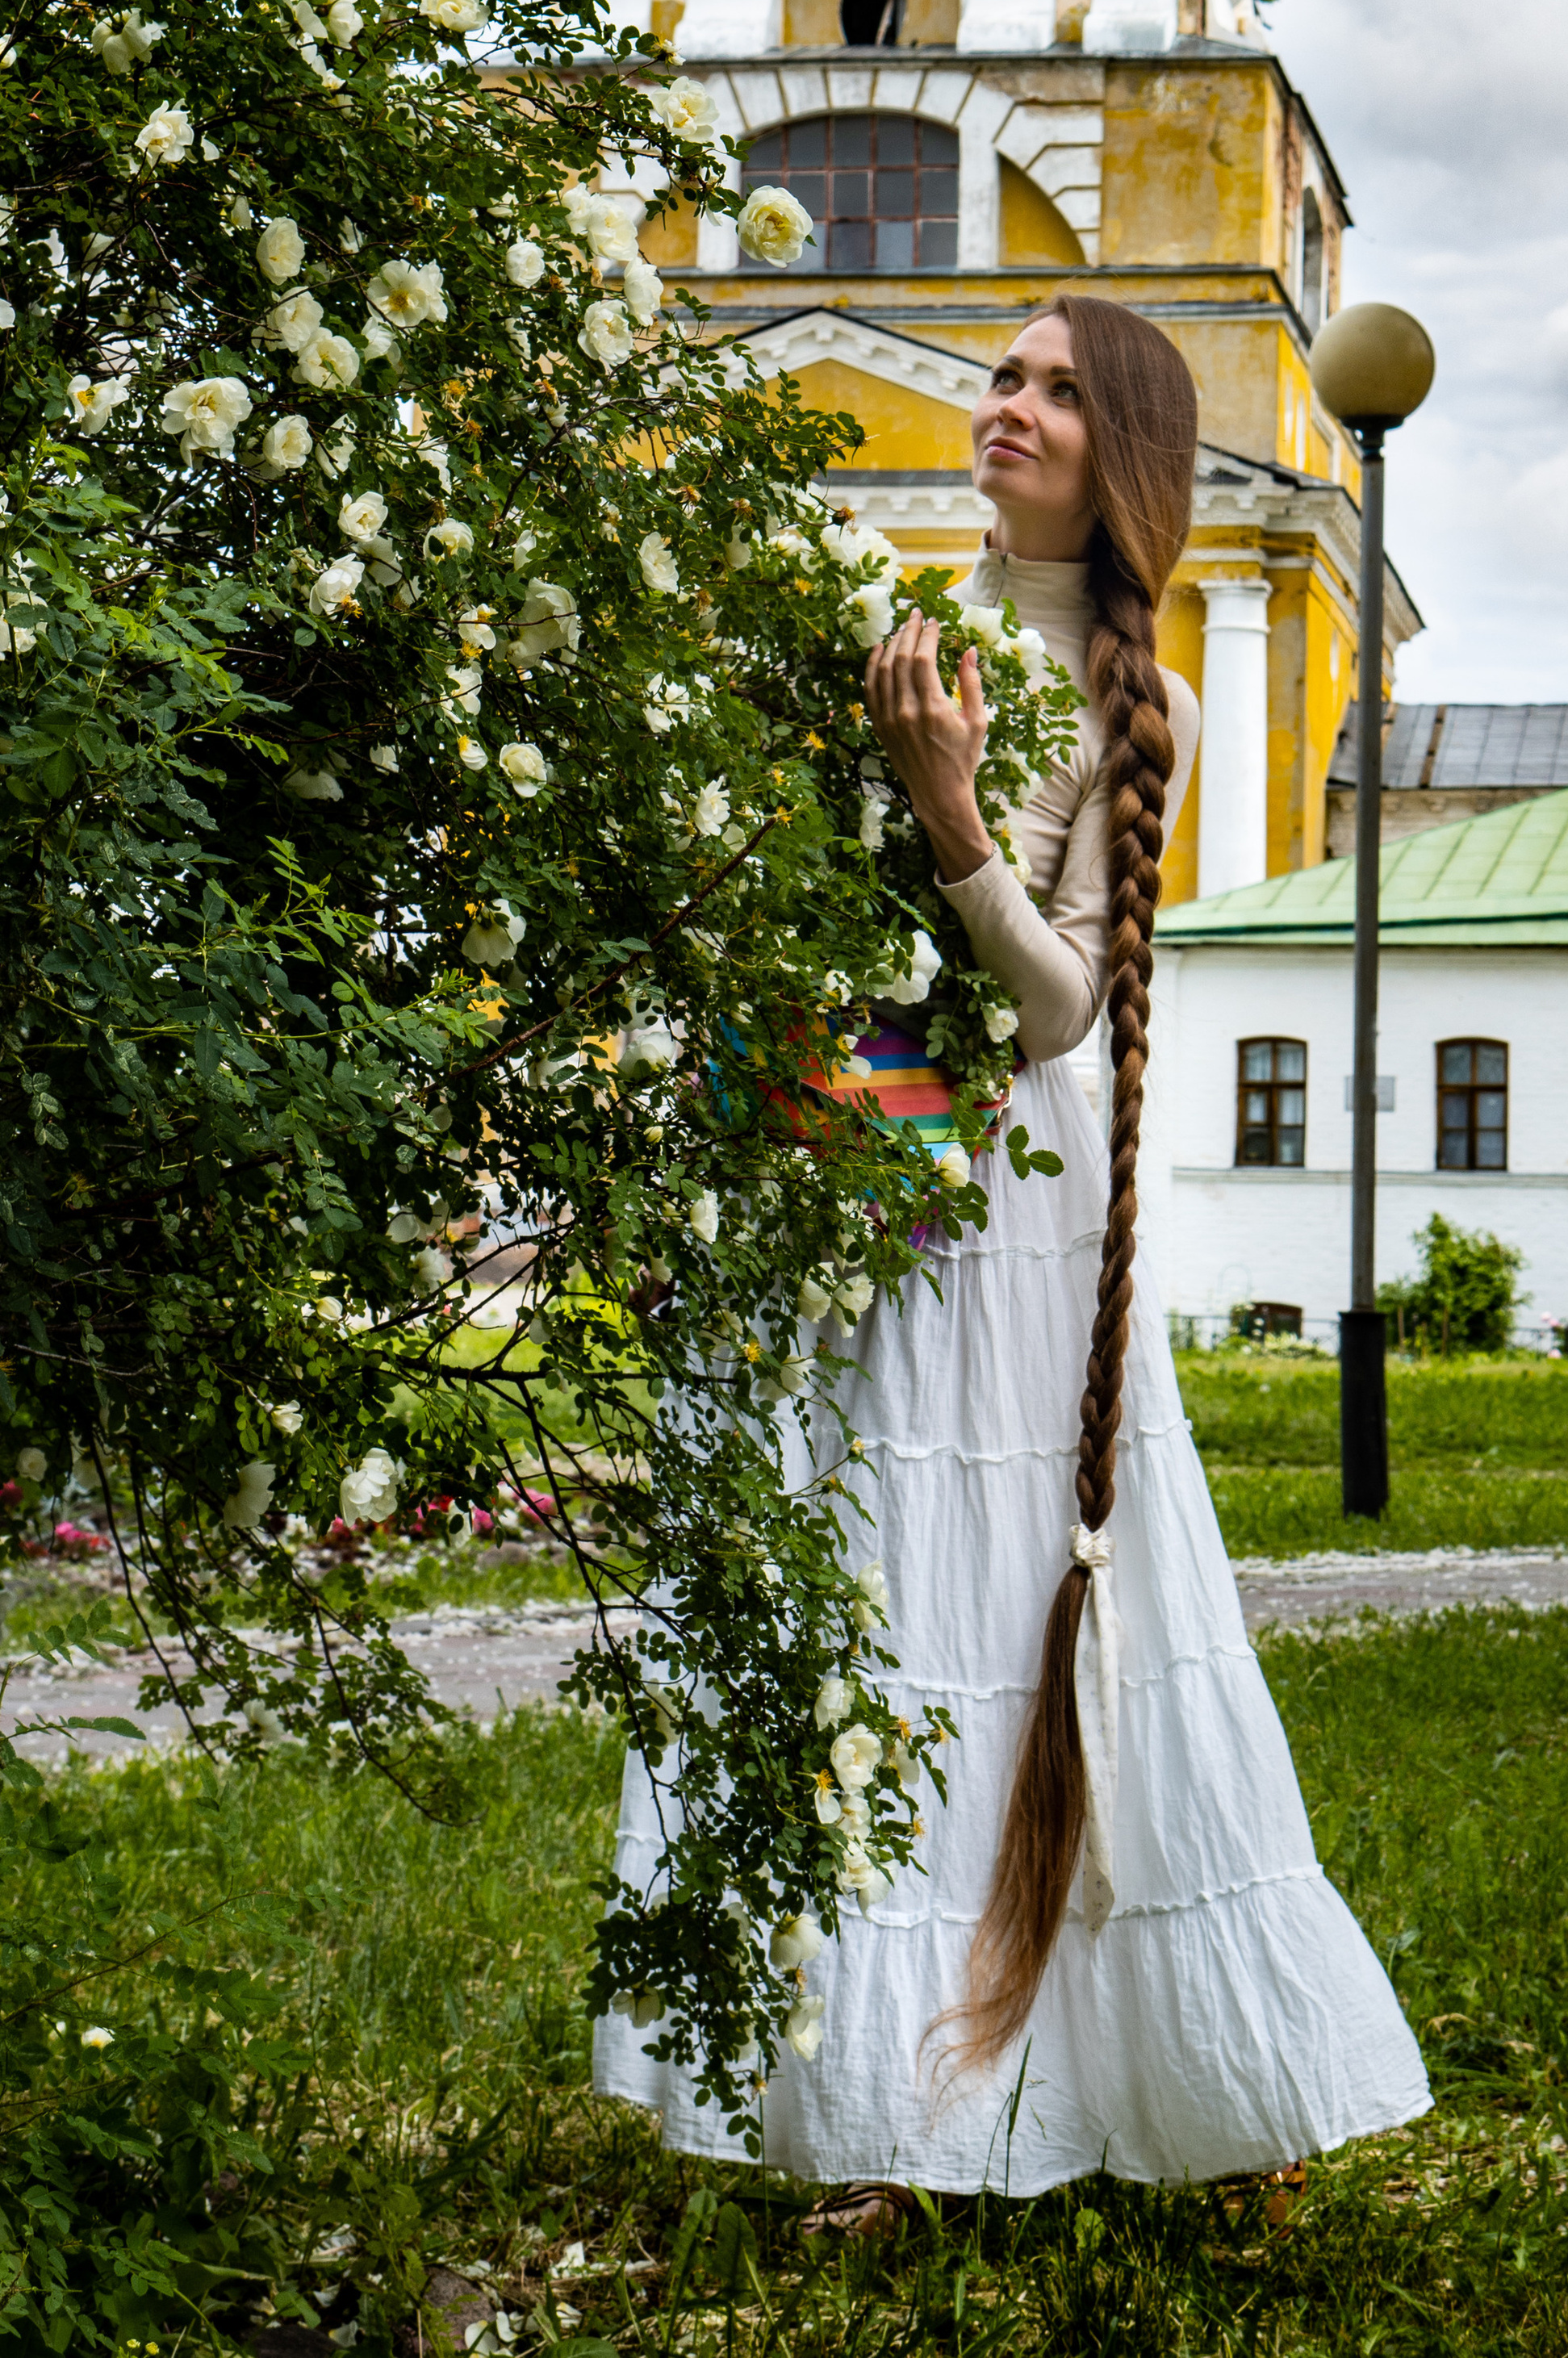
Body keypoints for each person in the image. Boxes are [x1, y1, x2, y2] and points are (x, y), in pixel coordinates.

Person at [596, 294, 1430, 2210]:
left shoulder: (1150, 700)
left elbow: (1061, 1005)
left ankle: (1138, 2075)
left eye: (1059, 390)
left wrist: (952, 815)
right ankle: (883, 2110)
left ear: (1121, 448)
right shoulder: (882, 629)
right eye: (1002, 376)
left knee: (1032, 1607)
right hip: (846, 1147)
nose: (1011, 408)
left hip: (1015, 1198)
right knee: (878, 1593)